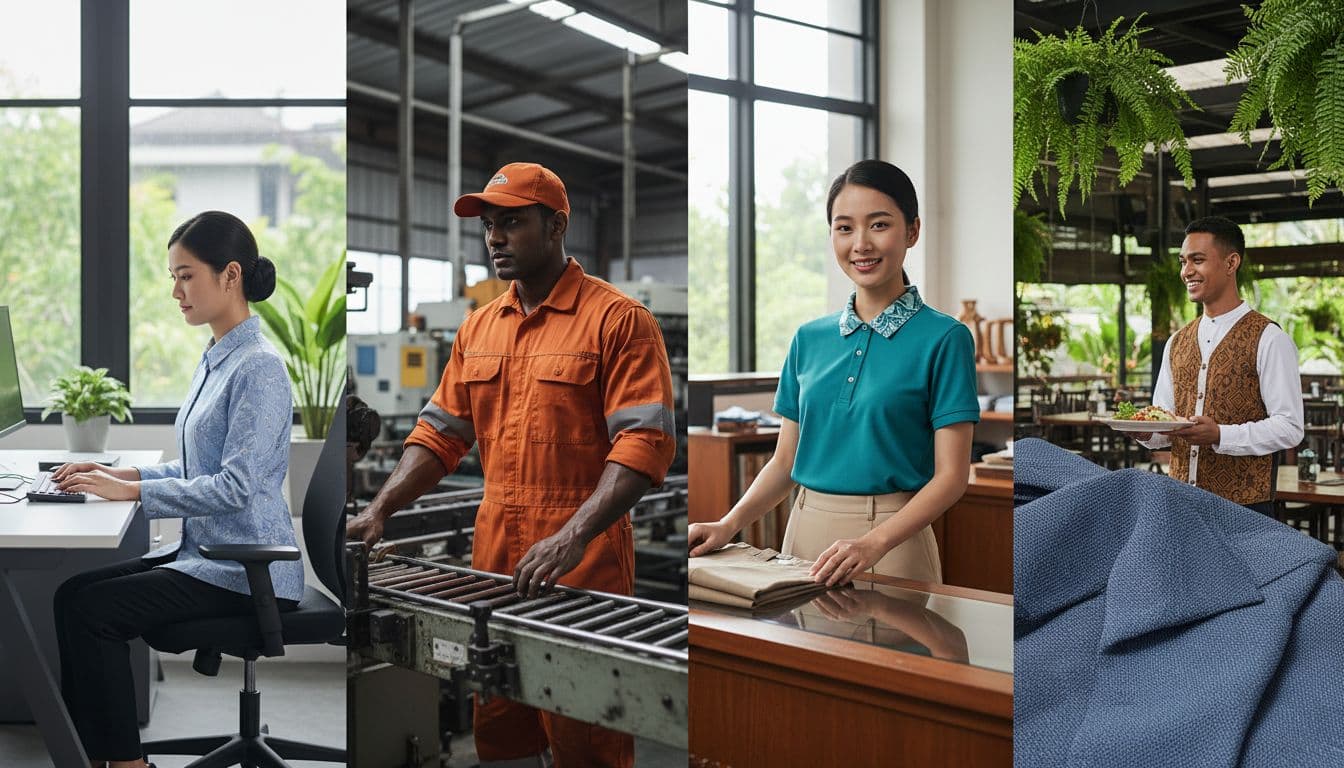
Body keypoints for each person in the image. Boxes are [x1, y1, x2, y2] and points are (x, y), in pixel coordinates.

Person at [345, 162, 676, 768]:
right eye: (489, 225)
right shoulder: (478, 328)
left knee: (585, 731)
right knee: (501, 723)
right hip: (495, 553)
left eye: (513, 223)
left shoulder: (618, 320)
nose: (495, 238)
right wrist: (379, 509)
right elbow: (440, 433)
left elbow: (644, 443)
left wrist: (573, 534)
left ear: (557, 226)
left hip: (583, 558)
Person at [49, 211, 301, 768]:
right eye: (173, 277)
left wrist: (136, 495)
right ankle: (91, 756)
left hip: (245, 569)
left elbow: (235, 487)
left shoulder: (258, 368)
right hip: (208, 556)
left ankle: (128, 765)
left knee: (92, 611)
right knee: (70, 596)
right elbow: (196, 466)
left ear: (230, 275)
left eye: (186, 276)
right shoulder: (216, 357)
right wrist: (123, 478)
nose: (175, 292)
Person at [688, 159, 980, 588]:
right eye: (844, 228)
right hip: (802, 535)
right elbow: (784, 463)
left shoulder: (946, 338)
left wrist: (874, 543)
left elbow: (952, 477)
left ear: (912, 231)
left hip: (891, 544)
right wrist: (728, 524)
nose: (860, 244)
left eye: (879, 225)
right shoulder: (808, 339)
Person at [1135, 216, 1303, 514]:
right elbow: (1165, 425)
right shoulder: (1176, 342)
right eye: (1183, 261)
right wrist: (1144, 432)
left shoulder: (1269, 338)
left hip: (1244, 510)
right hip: (1182, 505)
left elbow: (1289, 428)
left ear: (1231, 263)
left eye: (1197, 260)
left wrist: (1221, 435)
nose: (1187, 271)